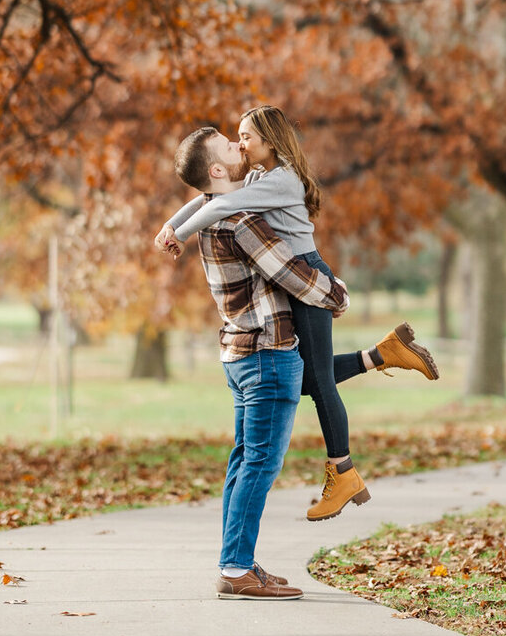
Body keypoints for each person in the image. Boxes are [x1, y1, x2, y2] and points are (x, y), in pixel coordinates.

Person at [155, 110, 439, 520]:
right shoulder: (258, 178)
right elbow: (208, 200)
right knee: (306, 376)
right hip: (303, 269)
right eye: (235, 139)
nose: (241, 145)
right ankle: (382, 355)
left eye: (245, 137)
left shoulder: (278, 181)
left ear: (269, 142)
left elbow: (221, 205)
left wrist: (178, 234)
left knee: (318, 381)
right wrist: (170, 226)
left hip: (305, 272)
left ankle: (343, 470)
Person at [177, 131, 348, 598]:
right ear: (216, 171)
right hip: (269, 354)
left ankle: (240, 560)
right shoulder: (242, 222)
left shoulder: (212, 217)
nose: (240, 146)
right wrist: (338, 295)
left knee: (243, 462)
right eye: (228, 148)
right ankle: (235, 569)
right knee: (259, 465)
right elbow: (292, 274)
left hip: (238, 354)